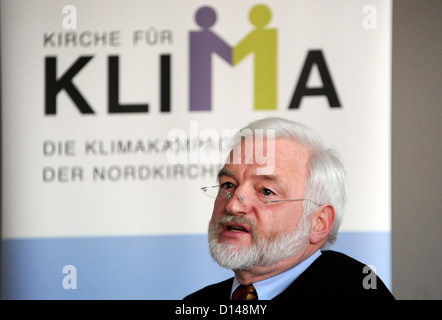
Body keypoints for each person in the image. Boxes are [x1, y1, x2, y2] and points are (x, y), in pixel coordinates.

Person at [184, 117, 394, 300]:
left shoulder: (357, 293)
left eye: (266, 191)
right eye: (228, 185)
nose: (232, 205)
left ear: (318, 223)